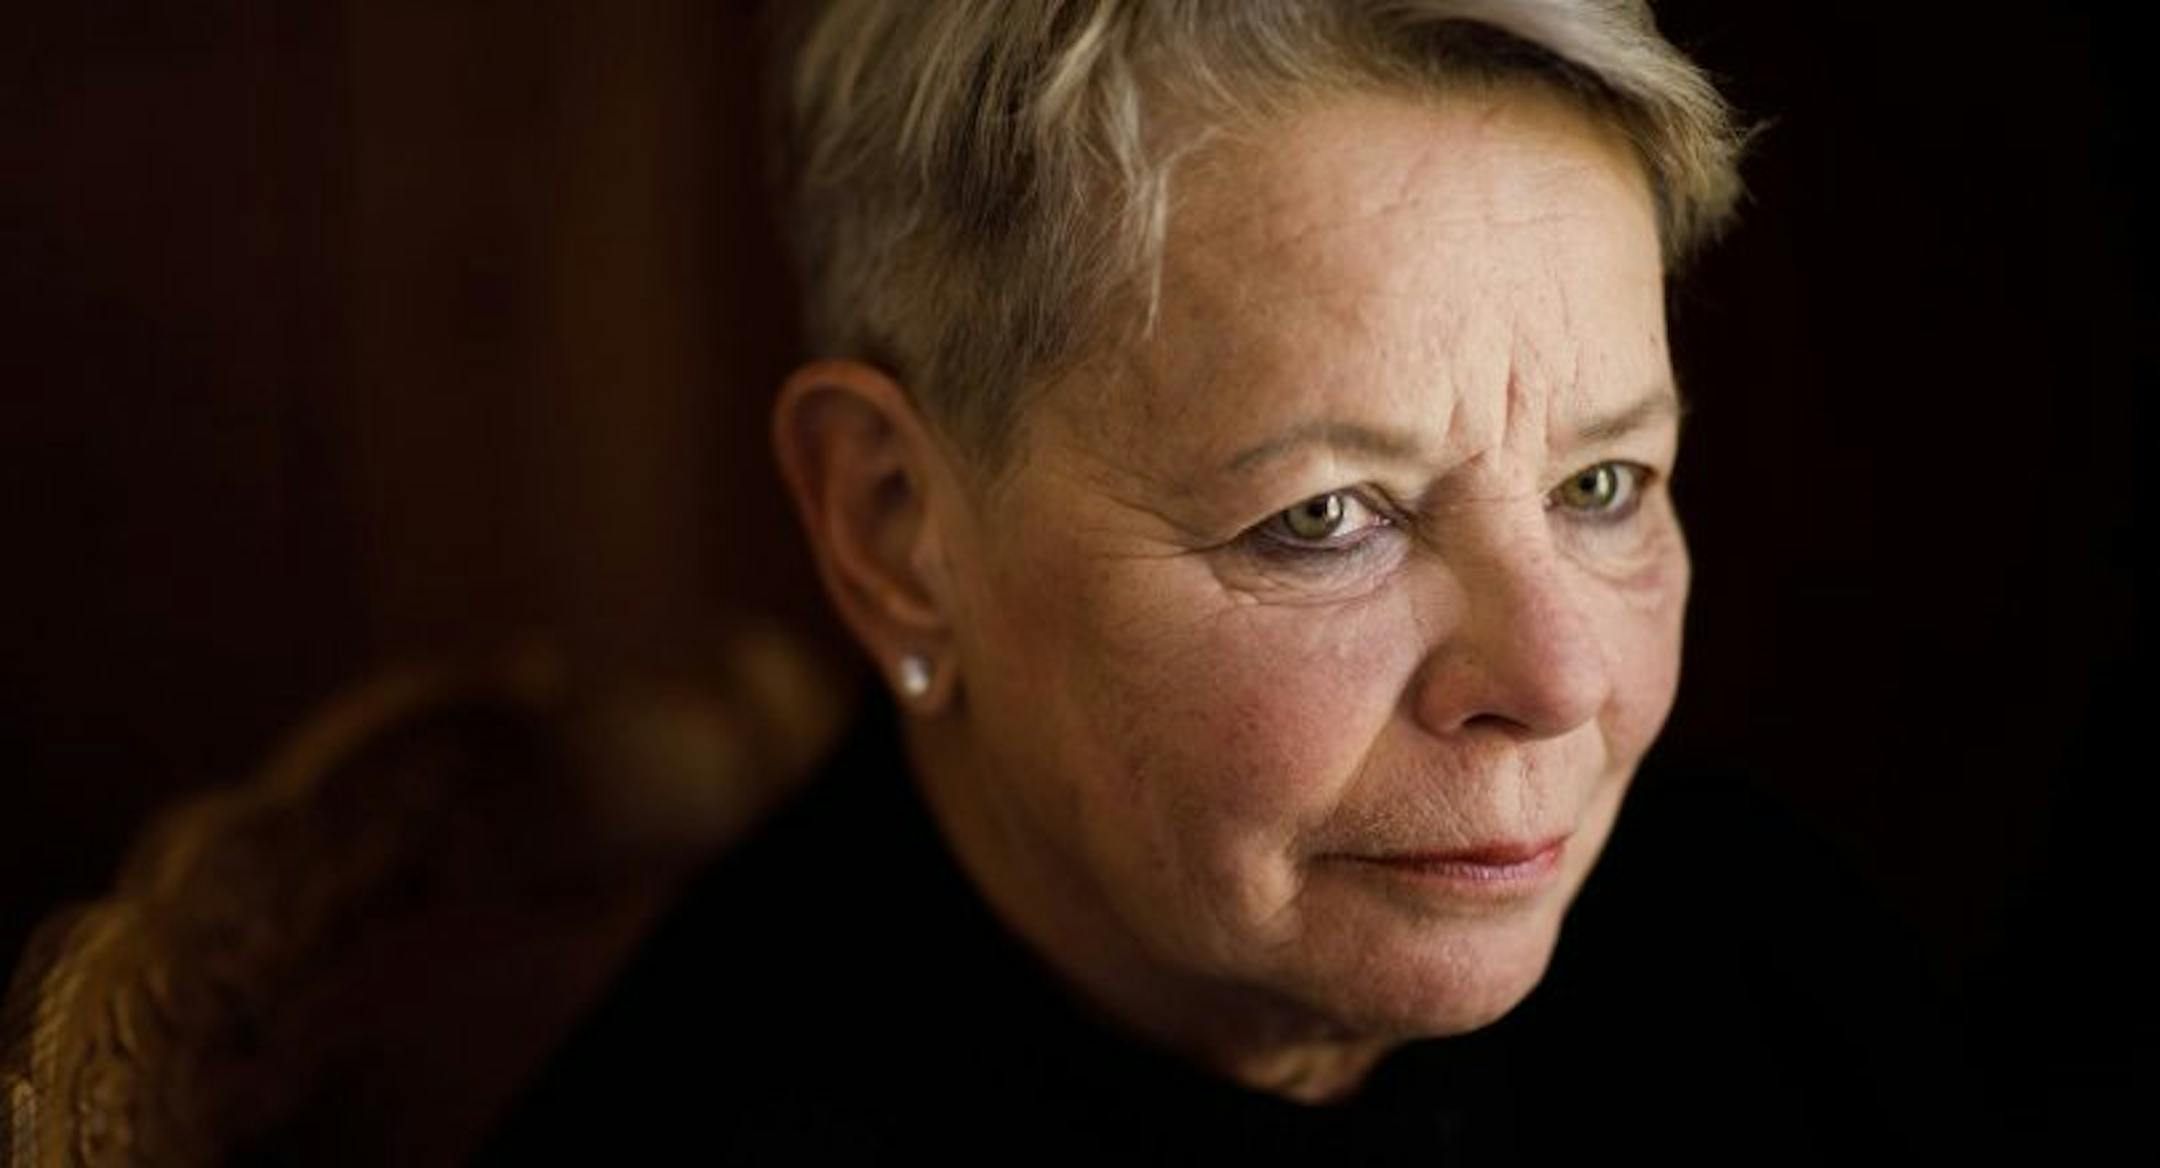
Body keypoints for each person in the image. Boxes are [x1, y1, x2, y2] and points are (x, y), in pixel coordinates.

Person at [484, 1, 1963, 1158]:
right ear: (895, 528)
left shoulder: (1765, 957)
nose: (1564, 681)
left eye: (1602, 486)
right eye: (1329, 517)